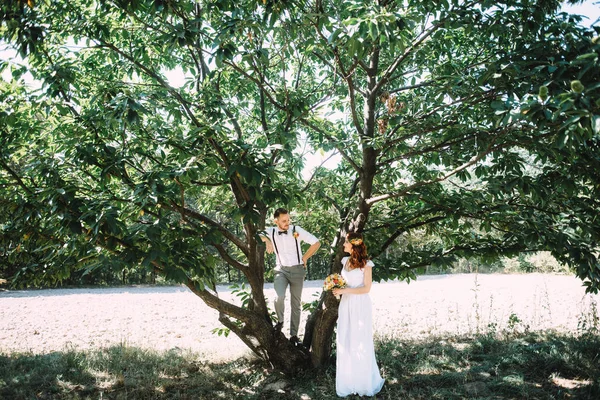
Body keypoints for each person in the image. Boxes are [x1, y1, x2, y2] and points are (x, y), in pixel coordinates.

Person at [332, 232, 385, 397]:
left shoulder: (366, 264)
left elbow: (366, 288)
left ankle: (363, 382)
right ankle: (348, 381)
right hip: (346, 304)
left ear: (353, 245)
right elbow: (343, 281)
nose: (343, 245)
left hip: (360, 304)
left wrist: (344, 290)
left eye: (346, 243)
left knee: (360, 339)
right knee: (345, 338)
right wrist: (336, 289)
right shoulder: (344, 261)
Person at [262, 208, 320, 346]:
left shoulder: (296, 229)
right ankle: (280, 322)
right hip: (281, 270)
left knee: (296, 304)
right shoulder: (271, 231)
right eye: (284, 221)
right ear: (276, 221)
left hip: (298, 270)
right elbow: (258, 234)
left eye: (288, 219)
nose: (287, 222)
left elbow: (316, 242)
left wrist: (305, 257)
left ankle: (294, 336)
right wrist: (267, 241)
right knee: (279, 296)